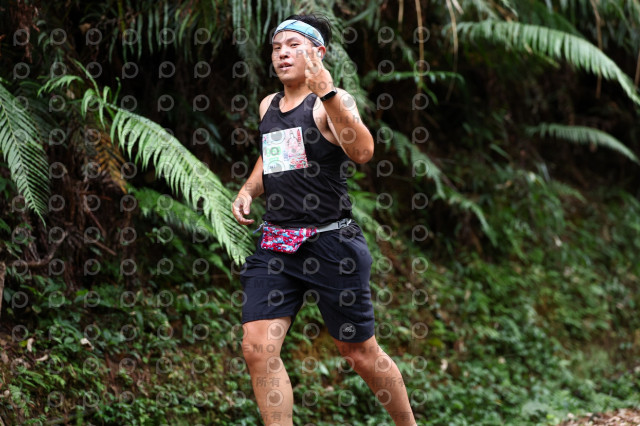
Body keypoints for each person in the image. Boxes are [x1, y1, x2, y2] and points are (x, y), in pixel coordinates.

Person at [231, 13, 417, 426]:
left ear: (318, 53)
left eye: (293, 45)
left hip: (332, 244)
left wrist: (328, 92)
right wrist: (247, 190)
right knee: (257, 347)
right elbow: (275, 154)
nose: (282, 54)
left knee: (359, 353)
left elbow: (363, 151)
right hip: (277, 244)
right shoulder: (269, 106)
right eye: (276, 47)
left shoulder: (331, 102)